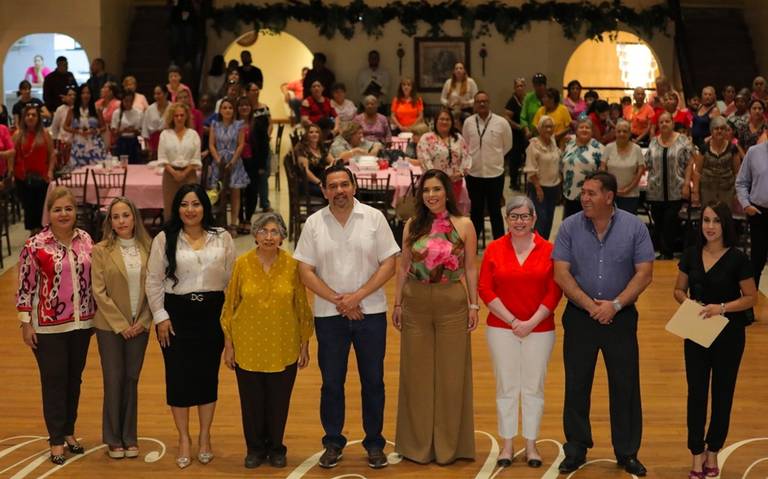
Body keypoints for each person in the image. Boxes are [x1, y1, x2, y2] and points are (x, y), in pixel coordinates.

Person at [293, 164, 399, 469]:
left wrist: (357, 296)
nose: (339, 191)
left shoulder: (374, 218)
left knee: (373, 381)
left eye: (344, 184)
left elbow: (389, 264)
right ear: (324, 190)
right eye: (332, 186)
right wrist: (339, 300)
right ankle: (332, 441)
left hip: (371, 313)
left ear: (354, 186)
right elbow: (305, 270)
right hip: (329, 315)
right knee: (331, 383)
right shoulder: (314, 223)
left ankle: (374, 443)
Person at [552, 171, 654, 476]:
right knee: (576, 385)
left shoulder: (634, 227)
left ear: (609, 197)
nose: (584, 198)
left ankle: (627, 452)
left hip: (620, 318)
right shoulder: (569, 226)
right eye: (583, 192)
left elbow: (644, 273)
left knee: (625, 385)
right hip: (580, 317)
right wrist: (590, 305)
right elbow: (561, 273)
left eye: (591, 193)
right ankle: (576, 448)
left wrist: (615, 305)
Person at [145, 184, 235, 468]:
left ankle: (205, 436)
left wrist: (230, 322)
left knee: (207, 376)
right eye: (184, 204)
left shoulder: (222, 237)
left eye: (196, 204)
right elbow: (153, 280)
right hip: (176, 316)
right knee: (178, 377)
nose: (190, 210)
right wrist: (160, 316)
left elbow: (232, 281)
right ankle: (184, 438)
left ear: (205, 207)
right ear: (177, 208)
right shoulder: (164, 238)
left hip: (212, 314)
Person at [392, 169, 478, 464]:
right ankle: (416, 446)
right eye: (426, 190)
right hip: (415, 303)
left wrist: (474, 305)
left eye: (436, 189)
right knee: (416, 375)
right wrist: (397, 304)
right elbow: (403, 267)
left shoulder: (464, 225)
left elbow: (470, 268)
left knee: (452, 377)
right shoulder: (412, 225)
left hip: (452, 302)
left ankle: (450, 447)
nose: (431, 195)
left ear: (447, 193)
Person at [221, 212, 313, 469]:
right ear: (255, 235)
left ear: (282, 237)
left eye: (275, 232)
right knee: (251, 401)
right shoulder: (242, 264)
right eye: (263, 231)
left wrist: (305, 343)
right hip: (248, 344)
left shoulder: (293, 265)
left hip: (283, 343)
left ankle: (276, 447)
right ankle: (255, 448)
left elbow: (301, 305)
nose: (269, 237)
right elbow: (230, 305)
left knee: (278, 401)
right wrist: (228, 345)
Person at [673, 202, 757, 479]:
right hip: (697, 330)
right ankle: (696, 454)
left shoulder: (738, 258)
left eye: (716, 221)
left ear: (725, 225)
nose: (710, 226)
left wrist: (720, 308)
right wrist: (688, 303)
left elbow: (751, 297)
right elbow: (678, 289)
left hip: (729, 334)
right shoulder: (690, 254)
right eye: (706, 220)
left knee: (722, 394)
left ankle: (713, 452)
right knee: (696, 393)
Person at [479, 195, 562, 469]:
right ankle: (507, 444)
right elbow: (485, 288)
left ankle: (531, 444)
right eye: (514, 216)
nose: (519, 222)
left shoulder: (550, 250)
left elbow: (554, 291)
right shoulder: (494, 249)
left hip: (540, 329)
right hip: (501, 328)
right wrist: (514, 320)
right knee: (506, 386)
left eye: (525, 216)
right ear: (506, 219)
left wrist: (531, 323)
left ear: (534, 218)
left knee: (533, 386)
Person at [16, 187, 95, 465]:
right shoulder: (35, 245)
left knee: (74, 380)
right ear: (48, 213)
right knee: (54, 382)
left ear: (75, 212)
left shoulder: (86, 239)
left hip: (83, 323)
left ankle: (69, 431)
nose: (63, 214)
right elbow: (24, 287)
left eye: (68, 209)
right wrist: (26, 324)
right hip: (48, 327)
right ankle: (56, 440)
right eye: (57, 209)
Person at [91, 197, 152, 459]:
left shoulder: (149, 247)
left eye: (125, 215)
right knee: (113, 379)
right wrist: (121, 325)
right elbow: (99, 292)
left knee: (131, 379)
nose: (121, 221)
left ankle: (130, 436)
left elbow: (155, 288)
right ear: (110, 222)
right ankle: (113, 438)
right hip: (110, 327)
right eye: (115, 217)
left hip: (140, 325)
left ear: (134, 218)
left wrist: (144, 321)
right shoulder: (101, 250)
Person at [462, 91, 513, 240]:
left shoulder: (501, 122)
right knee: (476, 212)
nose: (482, 104)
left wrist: (494, 158)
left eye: (484, 101)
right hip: (474, 174)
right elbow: (465, 144)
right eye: (479, 101)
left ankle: (500, 246)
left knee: (495, 211)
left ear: (489, 103)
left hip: (494, 174)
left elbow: (507, 145)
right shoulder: (468, 122)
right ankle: (472, 246)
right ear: (475, 104)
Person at [645, 111, 694, 259]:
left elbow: (689, 163)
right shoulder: (653, 141)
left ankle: (667, 253)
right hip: (655, 190)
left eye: (667, 121)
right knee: (658, 222)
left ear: (673, 123)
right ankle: (662, 252)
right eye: (661, 122)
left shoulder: (683, 140)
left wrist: (686, 184)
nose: (664, 124)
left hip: (676, 189)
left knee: (670, 222)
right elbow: (648, 163)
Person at [11, 105, 56, 234]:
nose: (30, 117)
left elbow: (52, 154)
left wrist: (50, 171)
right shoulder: (17, 135)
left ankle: (42, 235)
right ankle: (33, 236)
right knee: (29, 209)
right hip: (23, 178)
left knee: (41, 209)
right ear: (24, 118)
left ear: (38, 118)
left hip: (42, 177)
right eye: (28, 115)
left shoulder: (45, 134)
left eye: (34, 115)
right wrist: (12, 173)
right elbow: (12, 156)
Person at [157, 102, 202, 222]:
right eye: (176, 115)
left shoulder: (193, 135)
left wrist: (184, 173)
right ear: (172, 117)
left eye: (182, 115)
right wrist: (174, 173)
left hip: (189, 174)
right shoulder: (165, 134)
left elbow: (196, 158)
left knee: (190, 207)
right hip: (170, 174)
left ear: (186, 116)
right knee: (170, 208)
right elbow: (162, 158)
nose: (179, 118)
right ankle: (171, 232)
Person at [209, 98, 248, 232]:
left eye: (230, 108)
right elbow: (211, 145)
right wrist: (218, 159)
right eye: (224, 108)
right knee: (218, 192)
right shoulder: (215, 125)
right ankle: (219, 223)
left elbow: (241, 144)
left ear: (234, 110)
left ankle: (233, 224)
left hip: (234, 161)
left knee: (235, 194)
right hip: (219, 161)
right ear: (220, 110)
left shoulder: (239, 125)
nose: (227, 110)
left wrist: (233, 161)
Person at [735, 134, 768, 288]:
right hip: (759, 212)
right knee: (757, 260)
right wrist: (746, 204)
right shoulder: (754, 152)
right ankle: (750, 299)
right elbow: (741, 182)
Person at [417, 108, 470, 201]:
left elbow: (466, 157)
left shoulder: (458, 138)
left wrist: (461, 173)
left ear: (452, 122)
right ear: (436, 121)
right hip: (433, 183)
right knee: (435, 208)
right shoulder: (426, 138)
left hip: (455, 182)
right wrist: (438, 178)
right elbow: (424, 159)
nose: (444, 122)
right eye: (441, 119)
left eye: (447, 119)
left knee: (452, 207)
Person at [524, 116, 561, 239]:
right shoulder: (534, 145)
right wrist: (538, 188)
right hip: (539, 188)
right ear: (539, 129)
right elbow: (530, 168)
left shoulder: (553, 143)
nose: (549, 129)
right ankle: (536, 246)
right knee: (541, 219)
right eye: (546, 126)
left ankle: (544, 246)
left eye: (551, 127)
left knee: (549, 220)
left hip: (553, 187)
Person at [693, 116, 740, 211]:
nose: (719, 131)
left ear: (726, 131)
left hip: (727, 190)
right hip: (707, 190)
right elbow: (697, 172)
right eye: (716, 129)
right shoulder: (704, 148)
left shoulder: (733, 148)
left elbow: (737, 172)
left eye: (722, 128)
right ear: (711, 131)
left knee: (725, 216)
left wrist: (737, 192)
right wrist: (696, 192)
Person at [600, 119, 645, 214]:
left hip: (631, 195)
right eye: (619, 131)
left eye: (625, 131)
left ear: (630, 133)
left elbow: (640, 171)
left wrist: (628, 189)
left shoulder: (637, 149)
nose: (621, 134)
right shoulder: (608, 148)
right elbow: (603, 169)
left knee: (628, 222)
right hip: (610, 194)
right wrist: (610, 187)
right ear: (615, 133)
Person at [561, 118, 603, 218]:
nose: (584, 129)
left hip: (590, 195)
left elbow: (603, 172)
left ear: (592, 131)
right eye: (581, 127)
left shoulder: (599, 148)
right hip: (569, 192)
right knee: (570, 222)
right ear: (576, 131)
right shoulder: (570, 143)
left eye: (587, 128)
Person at [64, 84, 108, 168]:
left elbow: (104, 127)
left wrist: (96, 131)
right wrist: (77, 131)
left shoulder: (96, 109)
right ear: (79, 95)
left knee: (96, 169)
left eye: (88, 93)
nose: (85, 95)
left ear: (91, 95)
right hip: (78, 143)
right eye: (83, 93)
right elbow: (65, 126)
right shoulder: (73, 110)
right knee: (78, 170)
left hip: (94, 143)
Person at [246, 84, 273, 214]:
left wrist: (267, 135)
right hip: (249, 146)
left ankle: (265, 202)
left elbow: (270, 123)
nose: (256, 92)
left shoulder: (264, 107)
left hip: (263, 144)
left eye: (257, 90)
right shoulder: (245, 107)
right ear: (247, 92)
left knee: (264, 174)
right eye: (253, 90)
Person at [295, 123, 334, 197]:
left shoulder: (321, 147)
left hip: (321, 180)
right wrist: (319, 183)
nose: (314, 134)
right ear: (306, 135)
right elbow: (305, 172)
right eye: (311, 132)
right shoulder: (302, 149)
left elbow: (333, 161)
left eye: (317, 132)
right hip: (308, 183)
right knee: (331, 192)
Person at [503, 77, 528, 190]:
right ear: (514, 88)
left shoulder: (527, 99)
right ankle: (513, 182)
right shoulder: (512, 101)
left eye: (521, 86)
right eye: (517, 86)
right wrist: (518, 127)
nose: (520, 88)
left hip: (527, 133)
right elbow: (506, 118)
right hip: (515, 134)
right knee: (515, 158)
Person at [111, 91, 144, 164]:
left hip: (134, 142)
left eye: (130, 101)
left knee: (135, 164)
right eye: (126, 101)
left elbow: (141, 131)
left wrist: (134, 130)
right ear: (122, 100)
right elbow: (113, 132)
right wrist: (122, 130)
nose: (128, 103)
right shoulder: (117, 113)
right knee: (121, 164)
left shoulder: (138, 113)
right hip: (121, 142)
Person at [142, 84, 170, 162]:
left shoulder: (172, 108)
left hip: (168, 140)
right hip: (153, 141)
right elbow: (145, 129)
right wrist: (147, 145)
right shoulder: (150, 109)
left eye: (159, 94)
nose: (156, 96)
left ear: (166, 94)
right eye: (155, 94)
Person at [50, 86, 75, 170]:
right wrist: (55, 145)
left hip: (75, 142)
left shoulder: (78, 109)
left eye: (74, 95)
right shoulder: (60, 109)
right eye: (69, 95)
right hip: (63, 141)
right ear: (64, 97)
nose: (72, 97)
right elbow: (55, 127)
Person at [520, 73, 548, 138]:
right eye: (536, 85)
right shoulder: (528, 98)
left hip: (550, 135)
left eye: (540, 85)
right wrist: (527, 131)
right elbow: (523, 118)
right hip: (533, 135)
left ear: (545, 85)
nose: (538, 87)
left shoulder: (553, 96)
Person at [96, 81, 121, 147]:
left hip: (111, 134)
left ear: (111, 92)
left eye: (105, 87)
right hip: (98, 133)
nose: (102, 89)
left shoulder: (118, 104)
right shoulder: (97, 103)